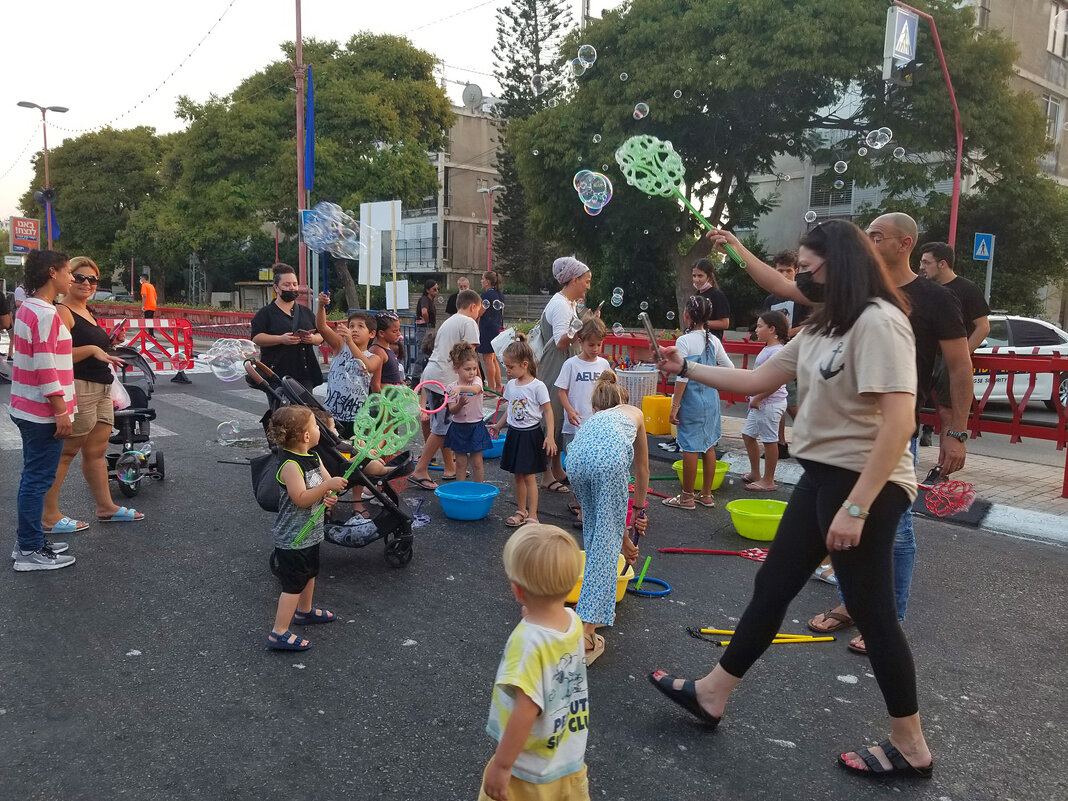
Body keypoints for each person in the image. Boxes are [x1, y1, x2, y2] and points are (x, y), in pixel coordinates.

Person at [650, 219, 934, 780]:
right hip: (820, 476)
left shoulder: (880, 322)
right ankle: (713, 692)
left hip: (863, 484)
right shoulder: (822, 327)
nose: (801, 277)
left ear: (841, 266)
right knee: (774, 584)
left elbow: (900, 422)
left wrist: (856, 507)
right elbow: (757, 382)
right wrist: (685, 368)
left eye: (810, 268)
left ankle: (912, 744)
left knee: (875, 616)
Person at [806, 214, 970, 655]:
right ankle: (856, 604)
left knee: (894, 529)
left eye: (877, 237)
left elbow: (959, 368)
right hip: (850, 432)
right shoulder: (863, 294)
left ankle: (889, 621)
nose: (869, 243)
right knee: (850, 522)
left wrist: (958, 431)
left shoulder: (935, 298)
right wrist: (734, 247)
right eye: (867, 236)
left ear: (905, 243)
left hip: (899, 430)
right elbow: (790, 287)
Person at [478, 524, 589, 801]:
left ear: (517, 591)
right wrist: (534, 610)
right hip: (567, 759)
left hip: (527, 772)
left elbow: (525, 709)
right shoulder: (572, 622)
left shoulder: (526, 643)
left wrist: (503, 765)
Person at [42, 256, 144, 535]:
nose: (86, 283)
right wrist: (92, 350)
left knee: (97, 452)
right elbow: (55, 354)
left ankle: (106, 507)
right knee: (66, 452)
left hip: (101, 386)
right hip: (78, 386)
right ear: (66, 278)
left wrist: (109, 343)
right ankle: (49, 514)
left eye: (92, 279)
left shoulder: (87, 311)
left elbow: (91, 347)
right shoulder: (62, 311)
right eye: (79, 277)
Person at [566, 371, 649, 665]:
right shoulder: (635, 413)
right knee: (605, 544)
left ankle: (592, 612)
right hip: (608, 460)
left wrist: (623, 535)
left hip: (574, 459)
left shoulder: (596, 420)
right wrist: (639, 510)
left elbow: (606, 520)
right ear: (624, 398)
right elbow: (642, 471)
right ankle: (586, 635)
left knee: (595, 532)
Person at [10, 250, 77, 571]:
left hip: (25, 406)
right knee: (38, 480)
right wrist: (61, 410)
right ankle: (29, 550)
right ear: (53, 273)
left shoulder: (27, 309)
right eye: (68, 273)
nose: (72, 279)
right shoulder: (47, 314)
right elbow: (45, 365)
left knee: (32, 477)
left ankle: (29, 538)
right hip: (42, 412)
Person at [264, 406, 348, 651]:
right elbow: (301, 498)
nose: (319, 430)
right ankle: (278, 632)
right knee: (293, 585)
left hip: (311, 532)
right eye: (315, 426)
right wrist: (325, 489)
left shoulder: (314, 456)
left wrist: (329, 494)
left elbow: (324, 483)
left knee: (310, 573)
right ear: (305, 436)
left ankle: (305, 611)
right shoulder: (290, 465)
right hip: (293, 537)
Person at [532, 256, 599, 495]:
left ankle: (557, 468)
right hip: (555, 364)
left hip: (562, 364)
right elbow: (562, 341)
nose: (588, 285)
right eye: (586, 281)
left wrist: (586, 321)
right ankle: (546, 475)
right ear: (574, 279)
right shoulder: (560, 304)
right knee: (553, 416)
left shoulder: (568, 303)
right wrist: (583, 325)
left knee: (560, 419)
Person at [663, 296, 733, 510]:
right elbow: (729, 369)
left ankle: (687, 497)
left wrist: (675, 406)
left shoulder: (684, 341)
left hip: (691, 402)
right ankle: (706, 494)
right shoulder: (714, 340)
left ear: (686, 316)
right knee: (708, 445)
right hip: (711, 401)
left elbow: (682, 377)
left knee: (689, 447)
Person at [408, 289, 482, 490]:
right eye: (479, 309)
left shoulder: (448, 321)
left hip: (432, 375)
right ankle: (421, 469)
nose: (479, 314)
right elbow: (470, 357)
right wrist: (477, 382)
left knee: (445, 425)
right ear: (473, 306)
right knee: (441, 428)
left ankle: (450, 467)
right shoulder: (469, 323)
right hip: (444, 379)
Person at [918, 241, 990, 446]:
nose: (921, 267)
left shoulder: (967, 289)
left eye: (926, 262)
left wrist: (961, 356)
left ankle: (942, 469)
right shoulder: (924, 288)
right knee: (907, 406)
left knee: (947, 413)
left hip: (949, 359)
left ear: (942, 264)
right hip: (924, 355)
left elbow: (983, 327)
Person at [490, 335, 557, 527]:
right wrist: (498, 426)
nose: (507, 371)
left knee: (528, 476)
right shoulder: (511, 386)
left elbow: (548, 411)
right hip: (514, 434)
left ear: (525, 364)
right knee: (517, 475)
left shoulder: (538, 386)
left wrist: (550, 436)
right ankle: (521, 510)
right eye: (506, 366)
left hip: (530, 435)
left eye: (510, 367)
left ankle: (533, 515)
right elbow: (510, 409)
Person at [554, 317, 610, 526]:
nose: (595, 349)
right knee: (576, 467)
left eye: (599, 344)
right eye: (591, 344)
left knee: (593, 466)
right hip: (574, 425)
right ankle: (579, 503)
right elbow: (561, 391)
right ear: (580, 341)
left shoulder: (604, 364)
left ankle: (586, 505)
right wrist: (569, 410)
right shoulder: (571, 364)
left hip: (596, 426)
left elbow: (609, 390)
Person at [315, 294, 381, 439]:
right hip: (331, 415)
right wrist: (321, 306)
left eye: (360, 326)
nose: (354, 330)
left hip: (357, 417)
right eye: (351, 326)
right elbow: (321, 327)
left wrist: (350, 342)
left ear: (372, 334)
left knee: (352, 452)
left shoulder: (374, 357)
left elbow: (368, 366)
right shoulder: (340, 346)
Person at [762, 250, 808, 458]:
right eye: (779, 270)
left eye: (788, 271)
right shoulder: (770, 299)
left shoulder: (803, 296)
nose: (783, 274)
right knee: (775, 398)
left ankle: (810, 438)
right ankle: (779, 443)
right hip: (777, 352)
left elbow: (812, 324)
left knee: (794, 403)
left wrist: (786, 333)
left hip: (801, 352)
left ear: (796, 271)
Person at [250, 264, 324, 392]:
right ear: (276, 288)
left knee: (304, 411)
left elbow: (321, 334)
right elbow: (256, 337)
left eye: (295, 284)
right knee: (282, 410)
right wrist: (281, 339)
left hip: (304, 373)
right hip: (276, 374)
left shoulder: (306, 312)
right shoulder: (266, 313)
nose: (292, 288)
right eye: (287, 285)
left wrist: (312, 338)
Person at [739, 310, 790, 492]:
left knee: (770, 441)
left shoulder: (777, 351)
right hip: (760, 401)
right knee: (748, 435)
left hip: (769, 403)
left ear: (772, 329)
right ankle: (755, 473)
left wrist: (758, 397)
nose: (757, 330)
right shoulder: (768, 348)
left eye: (760, 326)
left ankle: (768, 480)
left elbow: (777, 381)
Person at [444, 342, 492, 484]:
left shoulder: (476, 380)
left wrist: (461, 389)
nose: (472, 372)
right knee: (460, 463)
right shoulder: (451, 387)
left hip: (475, 425)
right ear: (456, 369)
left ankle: (479, 488)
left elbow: (476, 390)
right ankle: (461, 489)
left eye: (474, 368)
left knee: (477, 462)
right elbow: (452, 410)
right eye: (467, 369)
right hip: (459, 427)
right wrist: (459, 404)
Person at [478, 270, 505, 394]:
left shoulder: (486, 296)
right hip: (496, 326)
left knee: (487, 359)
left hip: (487, 328)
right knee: (493, 358)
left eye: (483, 279)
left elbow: (480, 312)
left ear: (488, 282)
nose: (481, 281)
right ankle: (498, 386)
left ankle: (491, 388)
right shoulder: (500, 294)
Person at [690, 258, 731, 341]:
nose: (696, 280)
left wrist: (701, 323)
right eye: (694, 276)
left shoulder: (717, 295)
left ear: (709, 276)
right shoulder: (696, 295)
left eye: (700, 276)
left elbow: (725, 323)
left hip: (712, 342)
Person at [370, 310, 406, 390]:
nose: (399, 334)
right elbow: (375, 384)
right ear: (381, 333)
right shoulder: (378, 351)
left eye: (398, 330)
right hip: (385, 400)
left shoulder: (387, 348)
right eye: (394, 331)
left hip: (394, 397)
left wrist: (400, 384)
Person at [415, 278, 439, 350]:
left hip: (428, 328)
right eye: (434, 289)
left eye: (437, 289)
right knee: (423, 351)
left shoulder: (430, 301)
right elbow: (424, 311)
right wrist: (426, 320)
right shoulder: (425, 299)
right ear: (427, 290)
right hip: (425, 328)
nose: (437, 291)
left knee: (428, 350)